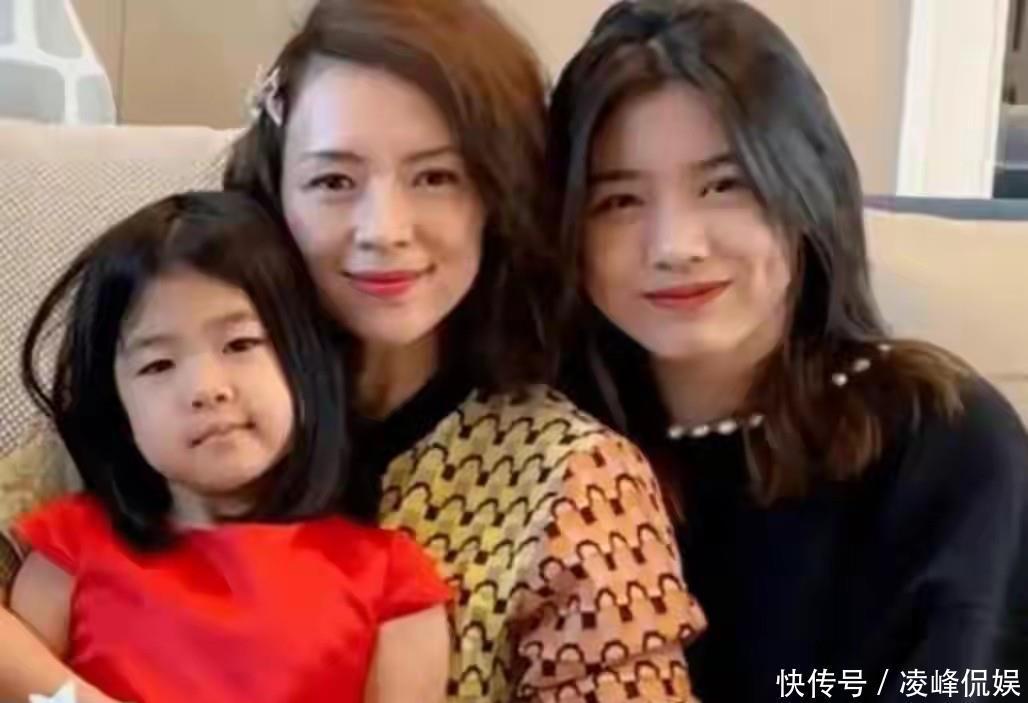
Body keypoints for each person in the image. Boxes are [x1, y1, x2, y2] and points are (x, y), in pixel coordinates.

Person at [223, 1, 706, 701]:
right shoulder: (185, 399)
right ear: (276, 190)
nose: (384, 229)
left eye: (435, 177)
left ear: (497, 195)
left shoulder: (576, 481)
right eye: (334, 181)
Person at [547, 1, 1028, 701]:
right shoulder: (544, 453)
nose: (674, 245)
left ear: (806, 188)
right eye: (620, 201)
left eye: (724, 185)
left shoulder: (945, 441)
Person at [0, 191, 451, 703]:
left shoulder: (391, 582)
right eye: (158, 365)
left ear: (308, 362)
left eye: (241, 344)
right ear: (119, 410)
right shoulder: (73, 547)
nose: (206, 388)